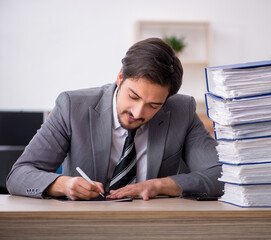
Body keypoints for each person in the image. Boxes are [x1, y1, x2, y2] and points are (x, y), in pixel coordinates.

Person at [6, 38, 223, 201]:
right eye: (133, 96)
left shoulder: (181, 110)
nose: (138, 112)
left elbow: (222, 175)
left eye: (153, 105)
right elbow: (19, 175)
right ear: (120, 78)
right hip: (84, 227)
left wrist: (162, 185)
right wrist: (63, 184)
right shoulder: (72, 106)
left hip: (154, 226)